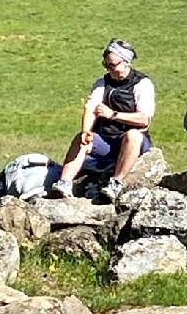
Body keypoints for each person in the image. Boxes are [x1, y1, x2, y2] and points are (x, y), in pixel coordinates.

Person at [50, 39, 155, 202]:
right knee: (81, 139)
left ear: (126, 62)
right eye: (106, 65)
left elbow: (144, 119)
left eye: (113, 65)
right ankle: (64, 183)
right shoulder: (102, 83)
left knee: (133, 135)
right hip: (106, 139)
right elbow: (91, 108)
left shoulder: (142, 84)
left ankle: (116, 183)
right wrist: (86, 131)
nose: (110, 70)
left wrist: (113, 114)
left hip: (132, 142)